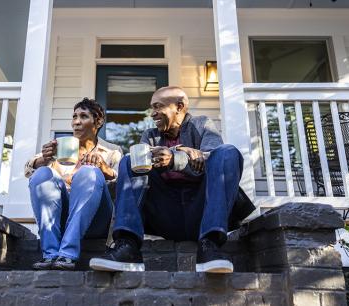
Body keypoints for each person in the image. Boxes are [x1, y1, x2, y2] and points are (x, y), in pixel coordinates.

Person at [89, 86, 255, 273]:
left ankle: (210, 246)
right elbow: (140, 170)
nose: (153, 113)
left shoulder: (202, 125)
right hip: (165, 213)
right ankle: (127, 246)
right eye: (152, 108)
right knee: (130, 159)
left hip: (201, 213)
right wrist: (186, 152)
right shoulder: (150, 136)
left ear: (179, 106)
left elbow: (214, 161)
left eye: (158, 107)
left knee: (228, 152)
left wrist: (175, 160)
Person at [25, 98, 122, 270]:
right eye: (74, 117)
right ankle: (50, 254)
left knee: (89, 172)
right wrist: (43, 159)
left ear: (98, 122)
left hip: (96, 219)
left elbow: (121, 185)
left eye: (83, 116)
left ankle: (68, 254)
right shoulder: (59, 148)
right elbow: (29, 172)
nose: (76, 122)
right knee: (42, 174)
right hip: (61, 217)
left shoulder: (112, 152)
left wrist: (103, 168)